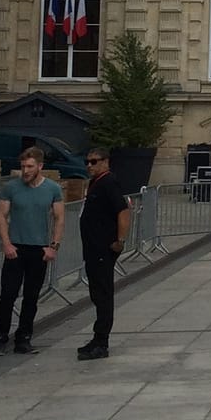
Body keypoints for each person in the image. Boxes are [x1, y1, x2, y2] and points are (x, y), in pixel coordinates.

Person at [0, 147, 65, 355]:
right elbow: (1, 216)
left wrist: (53, 246)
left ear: (40, 166)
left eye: (30, 166)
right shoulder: (11, 188)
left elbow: (60, 218)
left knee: (31, 296)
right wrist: (6, 243)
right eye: (23, 166)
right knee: (8, 293)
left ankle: (24, 337)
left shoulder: (52, 188)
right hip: (16, 246)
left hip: (39, 248)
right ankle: (0, 335)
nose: (25, 171)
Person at [78, 147, 132, 360]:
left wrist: (120, 240)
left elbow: (123, 210)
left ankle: (102, 340)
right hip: (92, 248)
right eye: (87, 161)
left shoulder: (109, 182)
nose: (89, 165)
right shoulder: (96, 183)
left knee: (103, 293)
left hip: (103, 247)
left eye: (94, 161)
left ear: (106, 162)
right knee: (96, 293)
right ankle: (97, 336)